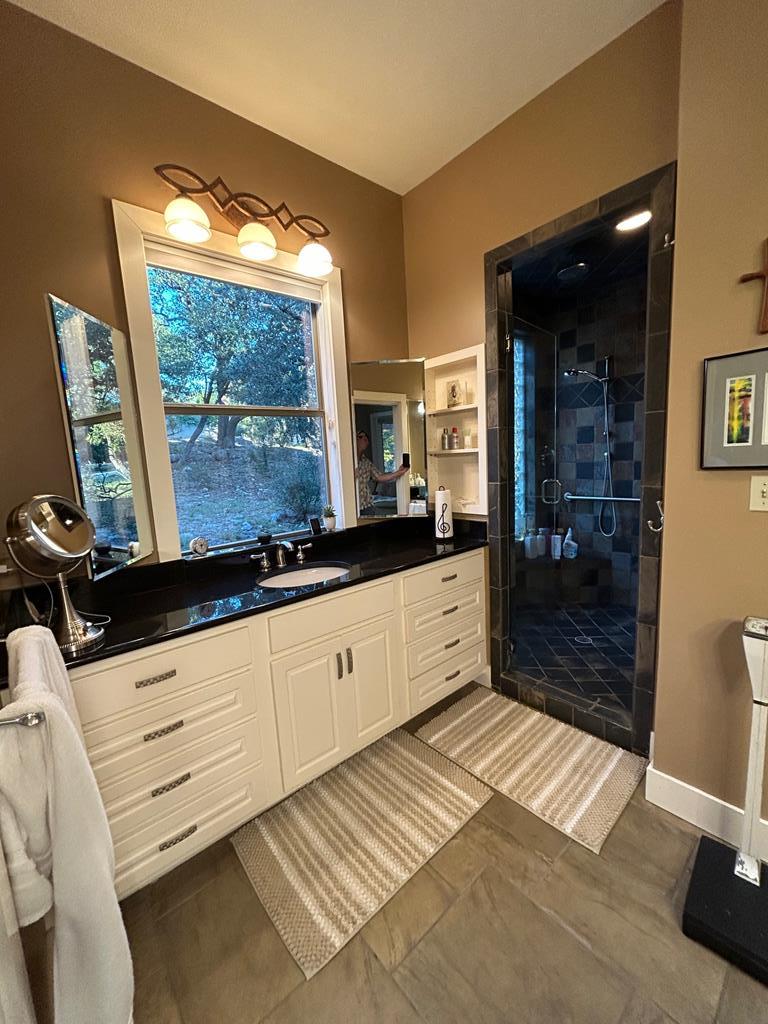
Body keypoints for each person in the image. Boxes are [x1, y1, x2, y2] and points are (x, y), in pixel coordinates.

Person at [355, 430, 408, 515]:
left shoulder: (366, 462)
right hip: (354, 506)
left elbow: (379, 477)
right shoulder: (349, 462)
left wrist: (399, 472)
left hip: (367, 504)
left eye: (366, 437)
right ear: (355, 441)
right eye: (361, 436)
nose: (365, 439)